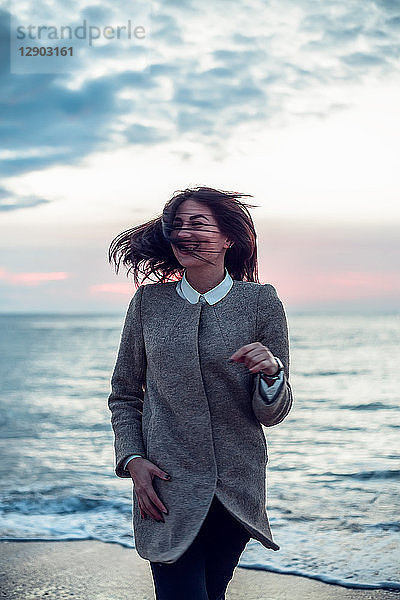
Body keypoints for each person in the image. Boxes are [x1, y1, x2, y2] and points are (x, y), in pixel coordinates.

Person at [107, 186, 294, 600]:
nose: (185, 234)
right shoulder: (147, 303)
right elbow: (124, 392)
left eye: (198, 224)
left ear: (228, 237)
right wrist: (132, 460)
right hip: (165, 487)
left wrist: (271, 373)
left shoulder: (261, 302)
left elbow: (272, 412)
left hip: (235, 489)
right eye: (177, 225)